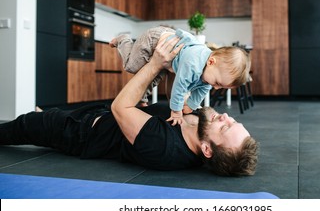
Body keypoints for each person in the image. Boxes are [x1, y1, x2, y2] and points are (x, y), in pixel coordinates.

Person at [0, 34, 258, 176]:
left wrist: (156, 63)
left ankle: (40, 122)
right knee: (46, 115)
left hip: (79, 132)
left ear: (207, 150)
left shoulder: (165, 147)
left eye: (225, 128)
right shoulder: (200, 121)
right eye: (233, 120)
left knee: (24, 125)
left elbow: (120, 108)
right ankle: (47, 116)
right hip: (93, 116)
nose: (225, 116)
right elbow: (183, 87)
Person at [109, 25, 250, 125]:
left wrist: (191, 105)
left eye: (221, 86)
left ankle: (142, 99)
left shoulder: (210, 73)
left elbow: (203, 90)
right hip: (155, 39)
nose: (216, 88)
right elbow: (179, 87)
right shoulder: (193, 65)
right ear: (211, 61)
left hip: (171, 52)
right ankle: (124, 40)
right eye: (218, 83)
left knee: (155, 75)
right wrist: (176, 112)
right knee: (132, 66)